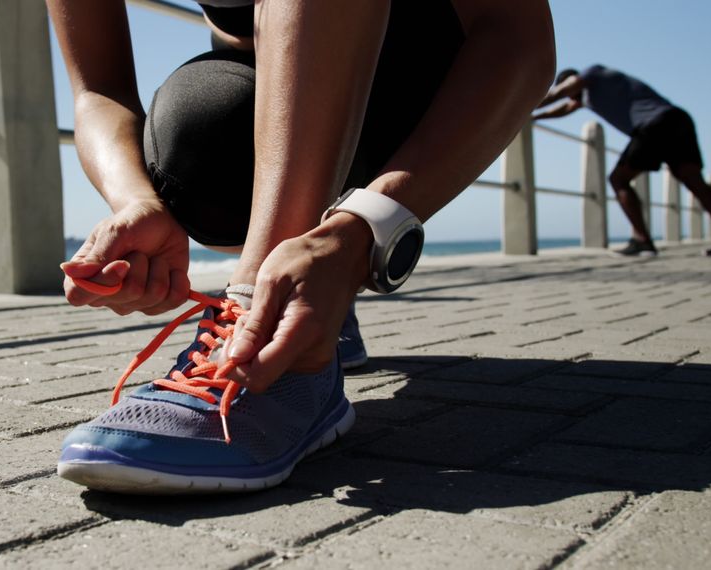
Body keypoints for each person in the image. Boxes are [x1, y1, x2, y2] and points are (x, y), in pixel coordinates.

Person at [48, 0, 555, 493]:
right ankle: (305, 297)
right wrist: (138, 200)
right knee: (203, 126)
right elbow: (99, 91)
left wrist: (363, 228)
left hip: (427, 100)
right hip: (270, 112)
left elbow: (517, 37)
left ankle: (275, 329)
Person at [535, 64, 711, 257]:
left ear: (572, 82)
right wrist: (534, 117)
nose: (573, 101)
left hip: (654, 124)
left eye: (572, 94)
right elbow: (564, 109)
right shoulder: (588, 95)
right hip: (677, 119)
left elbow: (559, 94)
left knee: (619, 179)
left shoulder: (592, 73)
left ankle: (642, 240)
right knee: (695, 182)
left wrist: (524, 104)